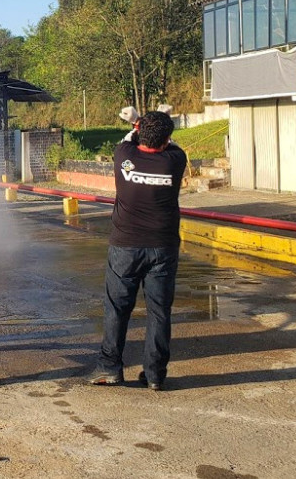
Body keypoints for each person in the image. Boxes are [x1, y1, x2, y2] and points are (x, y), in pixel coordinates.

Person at [88, 111, 187, 391]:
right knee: (159, 311)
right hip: (163, 247)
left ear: (140, 132)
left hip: (125, 247)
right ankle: (155, 375)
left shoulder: (123, 155)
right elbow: (171, 142)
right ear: (167, 139)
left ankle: (109, 368)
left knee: (117, 308)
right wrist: (153, 129)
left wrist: (136, 122)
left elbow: (130, 137)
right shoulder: (175, 160)